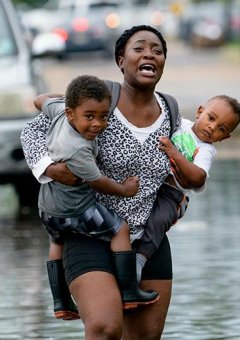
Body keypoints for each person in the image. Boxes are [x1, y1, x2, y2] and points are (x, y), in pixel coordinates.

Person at [20, 25, 177, 340]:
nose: (149, 55)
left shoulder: (172, 110)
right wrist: (50, 169)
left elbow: (185, 166)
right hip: (88, 232)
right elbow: (34, 127)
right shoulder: (97, 96)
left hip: (146, 241)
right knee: (105, 331)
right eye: (139, 48)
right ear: (120, 59)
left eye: (157, 50)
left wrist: (181, 196)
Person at [34, 74, 159, 321]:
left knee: (57, 242)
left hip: (47, 208)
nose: (97, 124)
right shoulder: (77, 147)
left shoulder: (58, 110)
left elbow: (39, 100)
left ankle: (61, 302)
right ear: (71, 114)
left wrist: (65, 99)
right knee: (119, 229)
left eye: (103, 116)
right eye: (89, 116)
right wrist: (125, 189)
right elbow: (98, 182)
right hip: (75, 210)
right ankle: (129, 291)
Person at [134, 95, 240, 278]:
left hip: (172, 193)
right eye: (211, 118)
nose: (212, 127)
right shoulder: (179, 124)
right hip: (151, 180)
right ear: (200, 111)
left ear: (225, 137)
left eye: (221, 129)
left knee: (159, 220)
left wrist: (174, 153)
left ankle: (139, 260)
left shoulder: (205, 150)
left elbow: (198, 178)